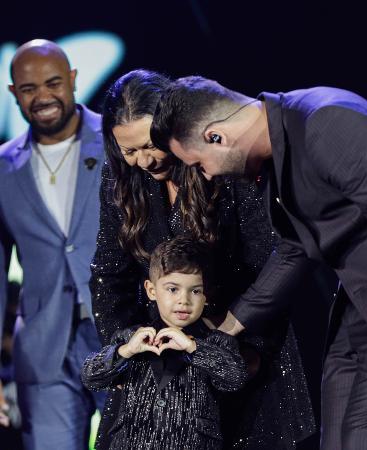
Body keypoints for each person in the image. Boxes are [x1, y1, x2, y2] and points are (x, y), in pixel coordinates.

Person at [150, 76, 367, 450]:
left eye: (197, 163)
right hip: (362, 306)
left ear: (216, 136)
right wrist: (225, 330)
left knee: (365, 437)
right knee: (336, 438)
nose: (205, 174)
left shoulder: (326, 121)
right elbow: (296, 248)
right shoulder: (281, 144)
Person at [91, 69, 316, 449]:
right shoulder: (120, 183)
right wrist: (126, 346)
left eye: (150, 145)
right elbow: (108, 275)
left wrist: (247, 348)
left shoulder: (221, 165)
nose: (143, 160)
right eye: (128, 151)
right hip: (164, 371)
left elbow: (272, 264)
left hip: (246, 347)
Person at [0, 39, 105, 449]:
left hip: (126, 333)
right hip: (44, 347)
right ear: (13, 94)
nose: (42, 96)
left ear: (74, 80)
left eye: (53, 83)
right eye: (28, 89)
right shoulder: (4, 169)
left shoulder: (119, 142)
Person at [83, 236, 248, 450]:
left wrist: (193, 347)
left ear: (206, 295)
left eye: (195, 291)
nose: (184, 300)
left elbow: (235, 377)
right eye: (173, 289)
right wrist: (126, 351)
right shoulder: (132, 339)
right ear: (152, 291)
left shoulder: (214, 342)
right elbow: (91, 377)